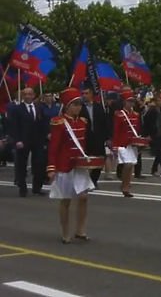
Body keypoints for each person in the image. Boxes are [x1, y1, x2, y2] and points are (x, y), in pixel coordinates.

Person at [47, 88, 95, 244]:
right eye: (74, 104)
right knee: (66, 200)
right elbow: (54, 147)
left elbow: (83, 144)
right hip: (65, 166)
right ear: (67, 106)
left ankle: (80, 230)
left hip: (79, 165)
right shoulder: (59, 123)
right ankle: (65, 232)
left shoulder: (83, 122)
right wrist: (52, 167)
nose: (78, 107)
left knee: (83, 197)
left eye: (80, 104)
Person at [9, 87, 48, 197]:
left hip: (38, 141)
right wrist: (17, 140)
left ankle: (37, 188)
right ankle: (22, 188)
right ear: (22, 96)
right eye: (25, 94)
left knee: (40, 164)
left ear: (33, 95)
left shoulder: (39, 108)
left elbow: (43, 123)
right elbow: (13, 126)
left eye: (30, 94)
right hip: (23, 141)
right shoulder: (17, 109)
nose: (27, 96)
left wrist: (46, 135)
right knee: (21, 165)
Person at [112, 90, 141, 197]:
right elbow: (116, 130)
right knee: (127, 164)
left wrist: (139, 141)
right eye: (129, 101)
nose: (131, 104)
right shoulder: (119, 115)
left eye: (132, 102)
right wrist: (115, 145)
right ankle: (124, 186)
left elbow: (137, 129)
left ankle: (127, 186)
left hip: (132, 144)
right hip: (122, 143)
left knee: (131, 164)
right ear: (124, 102)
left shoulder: (136, 115)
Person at [79, 84, 110, 188]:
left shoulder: (99, 107)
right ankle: (84, 181)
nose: (84, 95)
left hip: (98, 137)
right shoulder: (79, 107)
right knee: (85, 160)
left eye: (86, 93)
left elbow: (105, 122)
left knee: (100, 159)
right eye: (83, 93)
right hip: (85, 138)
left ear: (91, 94)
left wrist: (107, 137)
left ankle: (93, 179)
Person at [143, 95, 161, 177]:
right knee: (160, 152)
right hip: (155, 134)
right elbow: (147, 123)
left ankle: (154, 169)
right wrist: (147, 134)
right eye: (158, 101)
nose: (160, 102)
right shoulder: (152, 111)